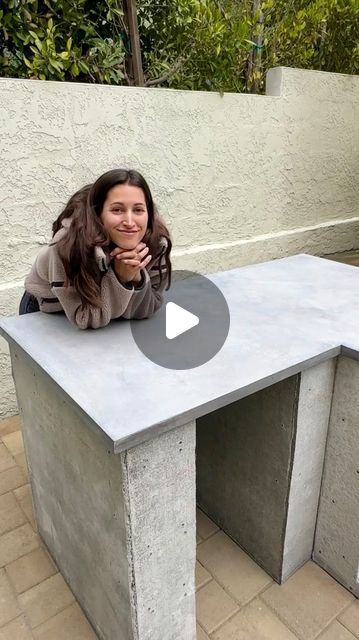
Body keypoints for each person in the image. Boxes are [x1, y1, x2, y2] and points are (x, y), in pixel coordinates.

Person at [20, 169, 172, 329]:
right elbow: (85, 317)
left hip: (103, 313)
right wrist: (120, 277)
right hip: (49, 309)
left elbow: (145, 309)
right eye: (117, 210)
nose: (129, 221)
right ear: (98, 213)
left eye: (138, 210)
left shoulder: (156, 242)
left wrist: (133, 278)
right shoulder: (67, 245)